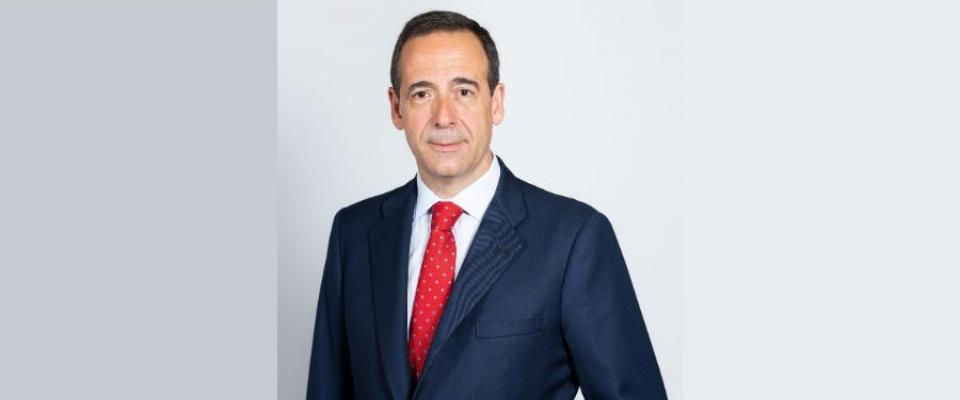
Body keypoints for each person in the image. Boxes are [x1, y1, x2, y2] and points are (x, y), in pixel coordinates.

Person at [306, 10, 668, 400]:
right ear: (397, 108)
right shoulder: (353, 233)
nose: (444, 117)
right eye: (422, 94)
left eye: (463, 92)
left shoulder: (573, 239)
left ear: (496, 103)